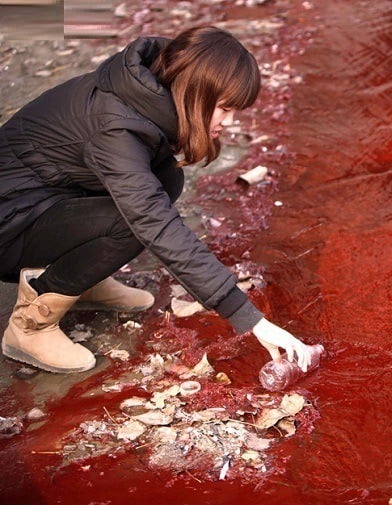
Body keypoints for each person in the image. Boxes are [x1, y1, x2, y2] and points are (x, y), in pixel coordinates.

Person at [0, 26, 311, 374]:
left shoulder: (149, 89)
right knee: (137, 221)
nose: (231, 122)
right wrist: (247, 316)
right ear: (195, 91)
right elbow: (153, 221)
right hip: (10, 222)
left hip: (45, 196)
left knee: (166, 179)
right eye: (224, 109)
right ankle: (31, 324)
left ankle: (79, 278)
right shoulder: (116, 127)